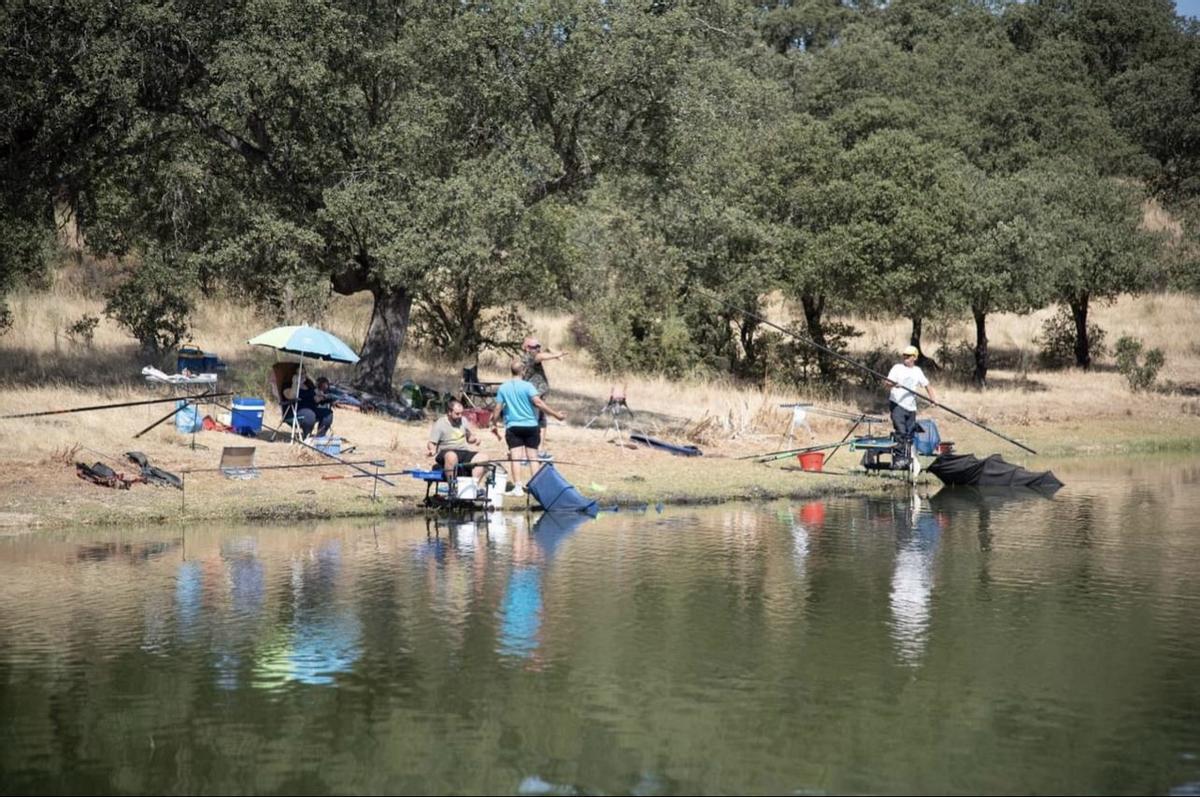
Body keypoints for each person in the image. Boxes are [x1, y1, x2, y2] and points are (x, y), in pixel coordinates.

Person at [491, 359, 565, 494]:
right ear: (523, 371)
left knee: (516, 457)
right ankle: (536, 487)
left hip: (513, 427)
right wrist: (556, 415)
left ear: (511, 371)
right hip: (531, 426)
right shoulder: (528, 386)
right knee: (533, 458)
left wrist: (494, 423)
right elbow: (539, 403)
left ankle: (518, 487)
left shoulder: (503, 387)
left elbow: (497, 409)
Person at [885, 345, 936, 470]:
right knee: (901, 432)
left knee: (909, 434)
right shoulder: (897, 368)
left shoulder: (917, 371)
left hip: (911, 407)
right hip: (897, 405)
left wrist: (933, 398)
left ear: (914, 357)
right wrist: (893, 384)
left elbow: (927, 385)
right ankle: (899, 459)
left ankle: (909, 459)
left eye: (908, 356)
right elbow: (887, 383)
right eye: (904, 355)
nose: (905, 358)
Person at [427, 400, 487, 491]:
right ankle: (452, 487)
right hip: (446, 452)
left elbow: (469, 438)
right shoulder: (440, 423)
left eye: (461, 413)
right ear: (449, 412)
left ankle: (473, 487)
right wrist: (432, 450)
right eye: (457, 414)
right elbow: (431, 442)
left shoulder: (463, 420)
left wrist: (475, 439)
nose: (460, 416)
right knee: (452, 456)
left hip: (463, 451)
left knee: (483, 457)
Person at [521, 336, 567, 441]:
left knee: (542, 421)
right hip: (534, 397)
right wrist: (557, 355)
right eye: (534, 346)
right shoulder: (530, 357)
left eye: (538, 346)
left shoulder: (532, 356)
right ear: (527, 348)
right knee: (534, 422)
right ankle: (533, 448)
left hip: (538, 396)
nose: (537, 348)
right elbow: (540, 357)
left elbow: (542, 354)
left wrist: (552, 353)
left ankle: (540, 450)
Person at [283, 375, 331, 439]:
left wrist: (324, 398)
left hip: (312, 408)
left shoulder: (309, 385)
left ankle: (320, 437)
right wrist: (295, 383)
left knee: (327, 413)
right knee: (310, 414)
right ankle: (307, 436)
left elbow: (315, 399)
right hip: (297, 410)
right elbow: (291, 396)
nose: (303, 374)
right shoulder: (288, 385)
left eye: (304, 372)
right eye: (300, 372)